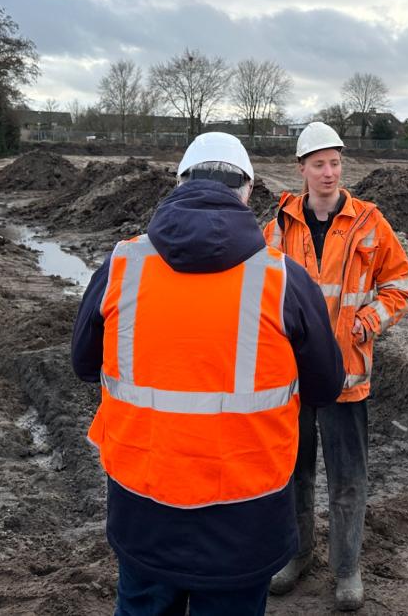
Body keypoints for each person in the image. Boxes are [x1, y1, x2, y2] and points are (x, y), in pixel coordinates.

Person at [71, 132, 344, 616]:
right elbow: (325, 385)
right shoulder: (283, 280)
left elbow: (83, 364)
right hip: (245, 517)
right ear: (247, 192)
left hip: (143, 508)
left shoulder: (121, 265)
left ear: (178, 185)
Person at [263, 121, 408, 611]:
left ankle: (346, 568)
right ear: (301, 169)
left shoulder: (370, 222)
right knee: (294, 475)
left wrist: (370, 319)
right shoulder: (277, 228)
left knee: (349, 480)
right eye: (318, 164)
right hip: (293, 379)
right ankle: (297, 556)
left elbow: (401, 286)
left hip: (348, 378)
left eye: (335, 163)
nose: (328, 173)